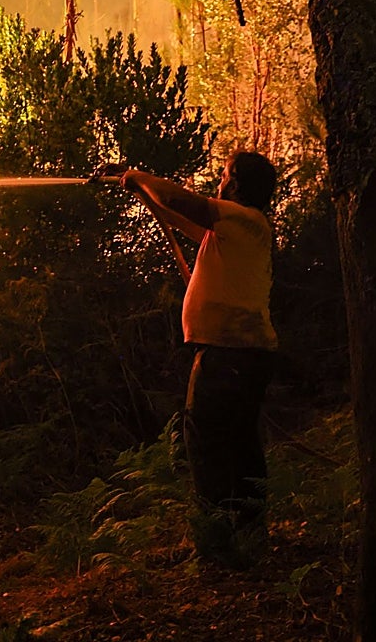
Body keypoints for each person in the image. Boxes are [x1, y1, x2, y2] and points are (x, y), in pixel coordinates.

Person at [105, 152, 279, 561]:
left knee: (208, 444)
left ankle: (216, 543)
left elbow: (187, 204)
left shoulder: (243, 219)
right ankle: (249, 536)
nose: (219, 183)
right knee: (238, 444)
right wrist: (138, 190)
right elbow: (180, 216)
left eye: (223, 176)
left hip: (227, 354)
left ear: (234, 184)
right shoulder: (235, 230)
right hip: (238, 353)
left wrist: (138, 174)